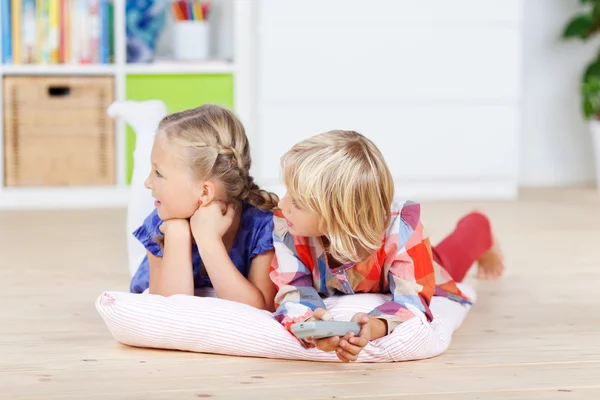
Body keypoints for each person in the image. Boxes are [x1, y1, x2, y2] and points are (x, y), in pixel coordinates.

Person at [270, 130, 504, 362]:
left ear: (339, 215)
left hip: (414, 263)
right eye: (287, 192)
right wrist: (309, 324)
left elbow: (412, 301)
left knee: (450, 260)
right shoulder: (287, 225)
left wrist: (376, 326)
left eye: (297, 202)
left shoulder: (400, 227)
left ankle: (479, 224)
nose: (282, 203)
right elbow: (293, 290)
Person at [130, 104, 279, 311]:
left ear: (205, 193)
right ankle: (146, 124)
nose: (149, 182)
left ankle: (147, 124)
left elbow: (262, 310)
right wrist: (177, 234)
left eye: (159, 173)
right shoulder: (161, 223)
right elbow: (167, 312)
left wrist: (208, 240)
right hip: (146, 275)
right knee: (138, 205)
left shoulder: (262, 227)